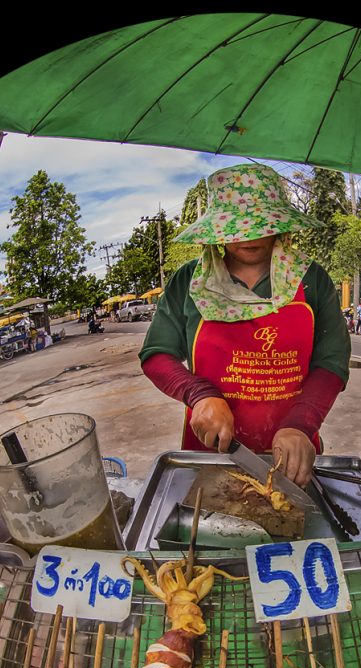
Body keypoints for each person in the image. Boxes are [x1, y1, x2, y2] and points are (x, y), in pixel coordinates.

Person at [139, 162, 350, 488]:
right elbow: (157, 355)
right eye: (239, 227)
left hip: (292, 459)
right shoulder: (189, 282)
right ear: (218, 230)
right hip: (212, 454)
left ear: (281, 224)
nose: (250, 236)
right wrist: (199, 395)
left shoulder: (312, 280)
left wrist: (300, 424)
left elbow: (331, 362)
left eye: (261, 224)